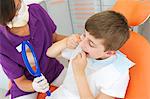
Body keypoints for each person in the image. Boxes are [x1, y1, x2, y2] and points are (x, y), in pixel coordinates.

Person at [46, 11, 135, 99]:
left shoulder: (118, 73)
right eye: (84, 35)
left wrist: (79, 73)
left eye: (91, 44)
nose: (82, 43)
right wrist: (65, 42)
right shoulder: (83, 45)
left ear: (109, 52)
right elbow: (50, 53)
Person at [0, 0, 67, 99]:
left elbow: (54, 38)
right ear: (7, 20)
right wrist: (34, 86)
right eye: (18, 8)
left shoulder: (37, 11)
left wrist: (75, 40)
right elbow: (20, 81)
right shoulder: (2, 42)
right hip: (26, 86)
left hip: (54, 71)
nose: (24, 7)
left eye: (21, 2)